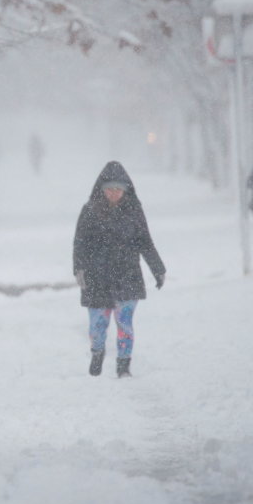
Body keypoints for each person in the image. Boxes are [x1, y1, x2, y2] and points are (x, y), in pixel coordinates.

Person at [72, 161, 165, 378]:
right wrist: (79, 269)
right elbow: (80, 243)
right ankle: (97, 351)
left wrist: (157, 268)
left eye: (118, 189)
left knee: (125, 324)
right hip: (97, 278)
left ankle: (124, 364)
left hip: (127, 276)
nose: (114, 193)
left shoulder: (134, 211)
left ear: (125, 190)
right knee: (97, 325)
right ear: (101, 189)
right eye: (109, 189)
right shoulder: (89, 211)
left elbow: (145, 242)